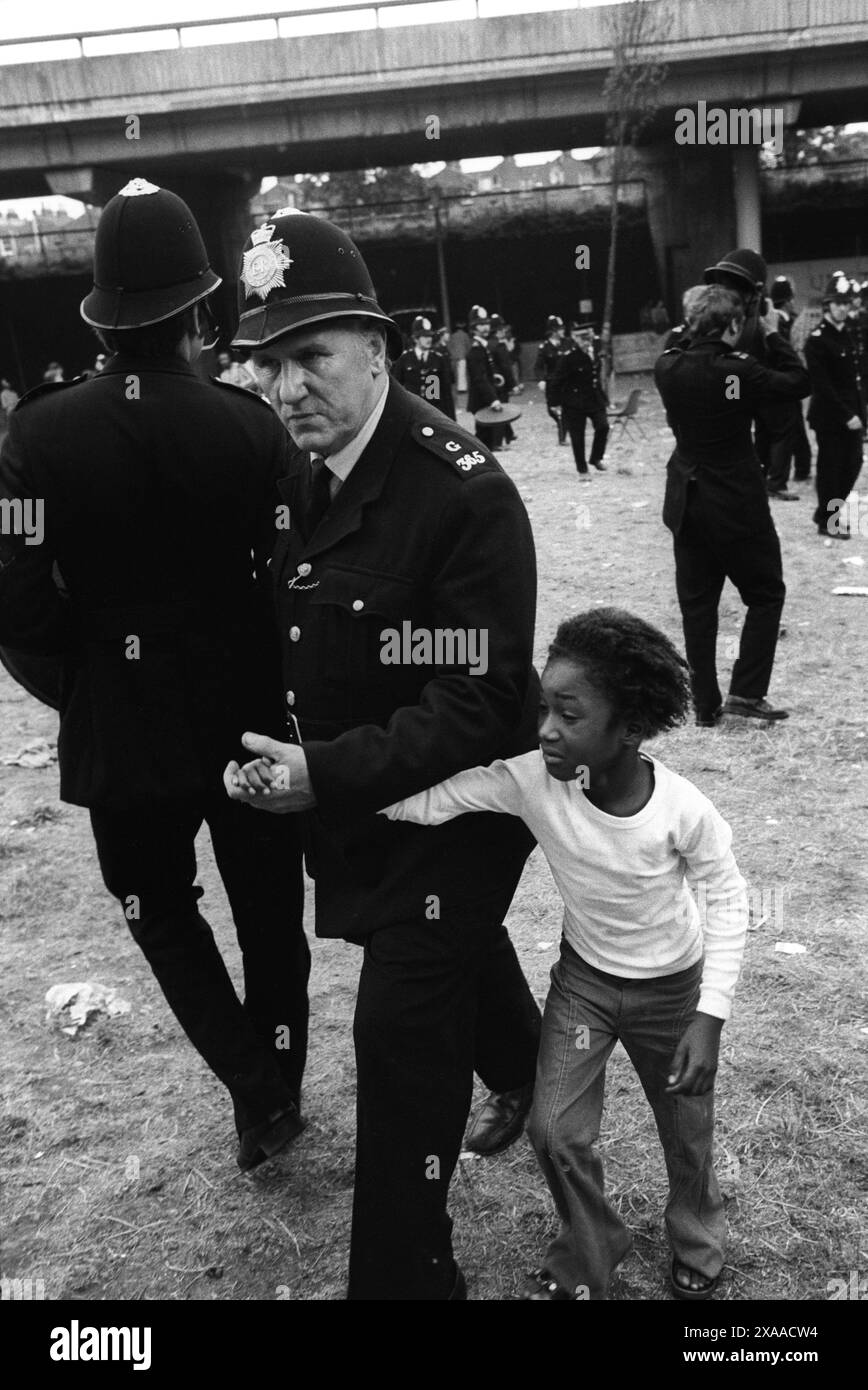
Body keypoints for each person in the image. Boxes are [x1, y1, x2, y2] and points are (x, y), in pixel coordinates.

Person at [222, 210, 542, 1302]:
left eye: (310, 356)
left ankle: (404, 1280)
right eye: (268, 363)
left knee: (399, 1056)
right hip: (363, 809)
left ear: (376, 348)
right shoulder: (303, 475)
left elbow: (490, 700)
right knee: (459, 968)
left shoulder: (460, 493)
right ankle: (536, 1073)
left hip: (452, 823)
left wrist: (332, 769)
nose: (287, 385)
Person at [0, 179, 310, 1172]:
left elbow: (12, 584)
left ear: (101, 315)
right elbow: (297, 570)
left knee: (157, 910)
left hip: (122, 728)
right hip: (251, 717)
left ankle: (255, 1092)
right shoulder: (252, 425)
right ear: (199, 311)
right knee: (270, 922)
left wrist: (79, 674)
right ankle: (271, 1096)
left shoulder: (33, 437)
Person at [380, 608, 748, 1301]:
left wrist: (710, 1016)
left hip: (671, 991)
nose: (546, 727)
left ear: (630, 730)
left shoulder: (682, 810)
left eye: (569, 715)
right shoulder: (531, 779)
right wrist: (331, 783)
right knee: (554, 1131)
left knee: (687, 1133)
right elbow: (437, 799)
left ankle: (696, 1236)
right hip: (583, 985)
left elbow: (728, 898)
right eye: (545, 707)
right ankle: (591, 1246)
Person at [654, 284, 810, 725]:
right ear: (734, 325)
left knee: (698, 608)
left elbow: (681, 347)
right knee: (765, 593)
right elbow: (799, 381)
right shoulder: (737, 373)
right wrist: (770, 329)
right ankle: (746, 691)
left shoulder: (668, 367)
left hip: (688, 499)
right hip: (736, 501)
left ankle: (705, 705)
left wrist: (695, 324)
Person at [703, 248, 802, 502]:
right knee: (781, 430)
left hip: (747, 385)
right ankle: (776, 482)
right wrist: (772, 333)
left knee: (762, 432)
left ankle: (762, 477)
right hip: (764, 379)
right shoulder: (756, 319)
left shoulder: (714, 325)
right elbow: (799, 378)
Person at [805, 274, 865, 540]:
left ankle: (829, 512)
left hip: (853, 413)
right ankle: (828, 520)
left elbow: (857, 379)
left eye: (845, 303)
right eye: (837, 303)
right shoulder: (817, 340)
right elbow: (823, 387)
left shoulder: (849, 334)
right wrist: (847, 415)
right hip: (830, 417)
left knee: (853, 464)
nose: (842, 308)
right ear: (827, 305)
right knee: (831, 469)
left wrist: (861, 412)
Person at [765, 277, 812, 487]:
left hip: (772, 384)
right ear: (787, 300)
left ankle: (799, 469)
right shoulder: (781, 324)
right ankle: (787, 475)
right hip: (785, 383)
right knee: (789, 430)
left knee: (780, 429)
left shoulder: (768, 320)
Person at [553, 322, 609, 479]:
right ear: (575, 338)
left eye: (589, 338)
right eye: (583, 339)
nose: (586, 342)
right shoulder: (568, 356)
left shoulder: (596, 349)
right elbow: (557, 380)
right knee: (577, 437)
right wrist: (554, 403)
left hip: (594, 398)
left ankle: (596, 457)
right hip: (574, 401)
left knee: (603, 426)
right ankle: (582, 470)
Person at [391, 314, 455, 420]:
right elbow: (396, 387)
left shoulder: (439, 358)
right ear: (416, 339)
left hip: (435, 411)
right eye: (425, 336)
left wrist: (451, 419)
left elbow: (446, 392)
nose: (429, 339)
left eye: (430, 336)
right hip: (412, 412)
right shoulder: (404, 359)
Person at [465, 304, 506, 451]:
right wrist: (432, 398)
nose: (485, 327)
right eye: (481, 325)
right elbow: (479, 378)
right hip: (482, 398)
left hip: (433, 396)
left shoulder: (436, 357)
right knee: (482, 438)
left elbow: (438, 381)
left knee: (487, 438)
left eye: (486, 324)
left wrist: (435, 398)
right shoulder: (474, 349)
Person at [534, 315, 567, 444]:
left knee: (566, 409)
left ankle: (562, 436)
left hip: (567, 381)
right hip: (553, 383)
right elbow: (538, 366)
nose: (562, 331)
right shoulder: (545, 347)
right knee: (552, 409)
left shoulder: (567, 343)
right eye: (560, 329)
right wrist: (541, 380)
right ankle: (562, 426)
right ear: (553, 331)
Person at [489, 314, 516, 447]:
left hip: (492, 382)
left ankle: (508, 434)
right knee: (501, 409)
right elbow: (506, 366)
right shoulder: (499, 345)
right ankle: (497, 441)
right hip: (501, 382)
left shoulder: (487, 344)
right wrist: (513, 384)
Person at [447, 320, 471, 395]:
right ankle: (463, 388)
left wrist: (452, 354)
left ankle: (459, 388)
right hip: (463, 357)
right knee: (463, 373)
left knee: (457, 374)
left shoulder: (453, 336)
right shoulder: (465, 335)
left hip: (455, 357)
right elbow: (469, 346)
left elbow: (449, 346)